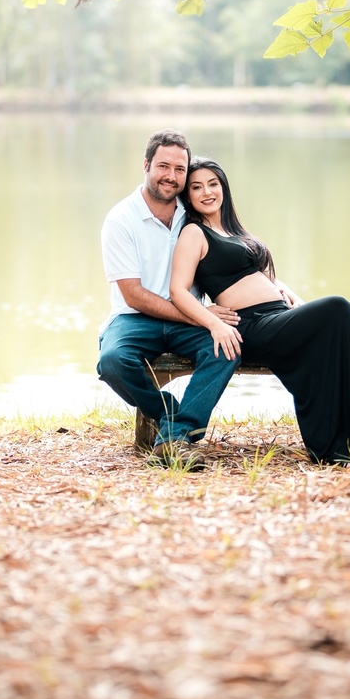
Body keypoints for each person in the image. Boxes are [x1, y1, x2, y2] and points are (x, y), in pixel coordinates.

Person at [169, 156, 350, 465]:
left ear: (223, 187)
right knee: (337, 307)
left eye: (213, 184)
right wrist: (214, 322)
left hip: (277, 317)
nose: (207, 192)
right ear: (188, 196)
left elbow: (259, 275)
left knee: (340, 335)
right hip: (249, 325)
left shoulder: (233, 230)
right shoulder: (194, 233)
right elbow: (178, 291)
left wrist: (289, 293)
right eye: (197, 187)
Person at [97, 130, 242, 469]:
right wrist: (202, 316)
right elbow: (133, 295)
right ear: (146, 165)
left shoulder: (193, 213)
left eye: (180, 169)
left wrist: (276, 285)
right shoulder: (121, 219)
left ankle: (172, 439)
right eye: (163, 166)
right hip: (134, 317)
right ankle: (176, 425)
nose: (172, 176)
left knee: (228, 347)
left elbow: (236, 247)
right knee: (113, 361)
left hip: (188, 317)